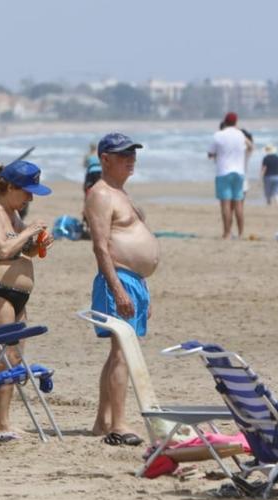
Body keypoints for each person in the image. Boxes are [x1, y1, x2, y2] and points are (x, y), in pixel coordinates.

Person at [83, 133, 159, 447]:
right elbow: (100, 247)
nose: (131, 159)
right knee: (121, 352)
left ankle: (103, 420)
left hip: (133, 281)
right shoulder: (100, 194)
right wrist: (118, 289)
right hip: (118, 280)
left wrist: (144, 288)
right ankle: (118, 423)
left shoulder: (120, 192)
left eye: (133, 153)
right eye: (123, 154)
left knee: (120, 351)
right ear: (105, 159)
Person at [0, 160, 53, 441]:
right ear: (10, 187)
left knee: (14, 359)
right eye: (27, 191)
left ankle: (2, 423)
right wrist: (29, 231)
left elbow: (21, 250)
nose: (30, 198)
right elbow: (3, 249)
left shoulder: (12, 213)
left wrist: (36, 243)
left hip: (17, 296)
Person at [208, 112, 251, 239]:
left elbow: (210, 153)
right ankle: (241, 233)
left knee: (225, 204)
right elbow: (250, 146)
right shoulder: (241, 135)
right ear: (236, 122)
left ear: (225, 121)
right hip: (239, 172)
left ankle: (227, 233)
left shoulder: (219, 135)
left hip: (223, 172)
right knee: (238, 204)